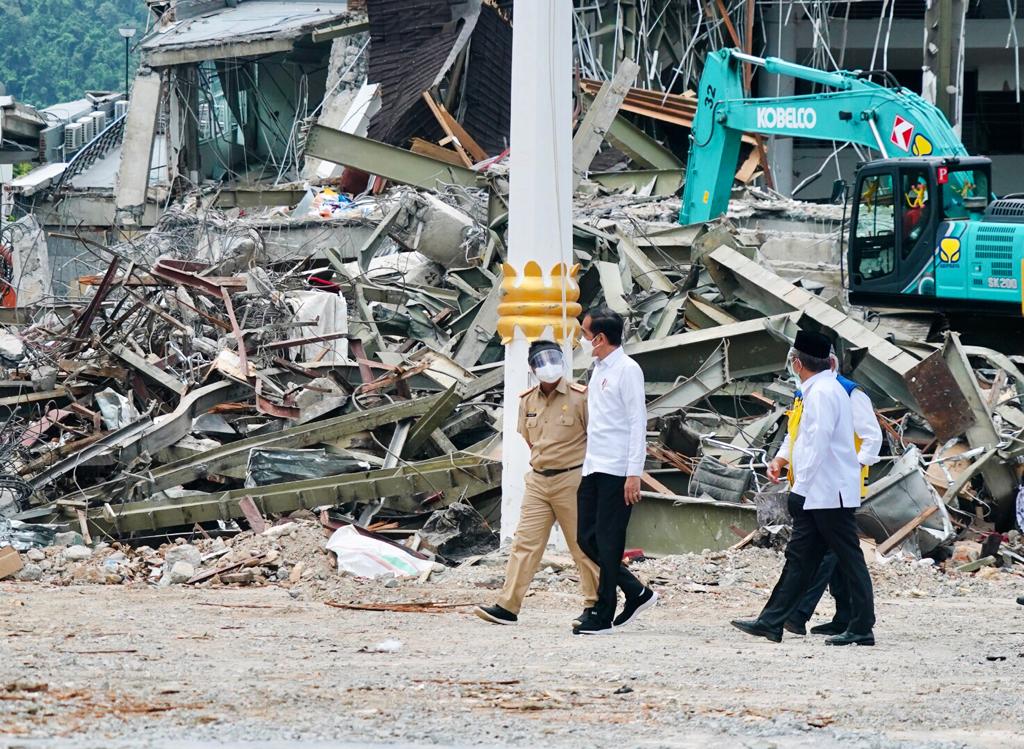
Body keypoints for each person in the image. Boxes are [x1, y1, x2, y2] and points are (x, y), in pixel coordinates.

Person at [731, 330, 876, 646]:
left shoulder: (824, 393)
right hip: (821, 491)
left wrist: (802, 489)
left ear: (797, 363)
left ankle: (862, 626)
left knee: (848, 558)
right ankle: (773, 621)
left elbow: (818, 444)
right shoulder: (817, 390)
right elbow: (800, 440)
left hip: (828, 492)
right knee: (800, 557)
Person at [475, 340, 599, 627]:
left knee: (582, 546)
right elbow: (529, 439)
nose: (549, 366)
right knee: (524, 544)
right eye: (541, 361)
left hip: (573, 479)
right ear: (532, 368)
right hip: (539, 481)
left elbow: (596, 438)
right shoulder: (527, 400)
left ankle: (594, 604)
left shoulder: (581, 397)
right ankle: (508, 606)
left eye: (553, 358)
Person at [774, 349, 883, 637]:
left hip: (835, 485)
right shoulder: (806, 393)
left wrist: (850, 466)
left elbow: (872, 437)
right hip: (812, 483)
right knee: (829, 552)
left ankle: (799, 616)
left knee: (827, 554)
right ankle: (844, 616)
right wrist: (782, 459)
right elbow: (796, 434)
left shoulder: (847, 393)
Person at [572, 307, 657, 635]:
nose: (581, 339)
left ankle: (603, 615)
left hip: (617, 469)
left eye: (584, 334)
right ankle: (636, 591)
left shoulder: (627, 369)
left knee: (608, 543)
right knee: (585, 538)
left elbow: (638, 421)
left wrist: (633, 473)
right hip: (594, 465)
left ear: (600, 338)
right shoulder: (598, 369)